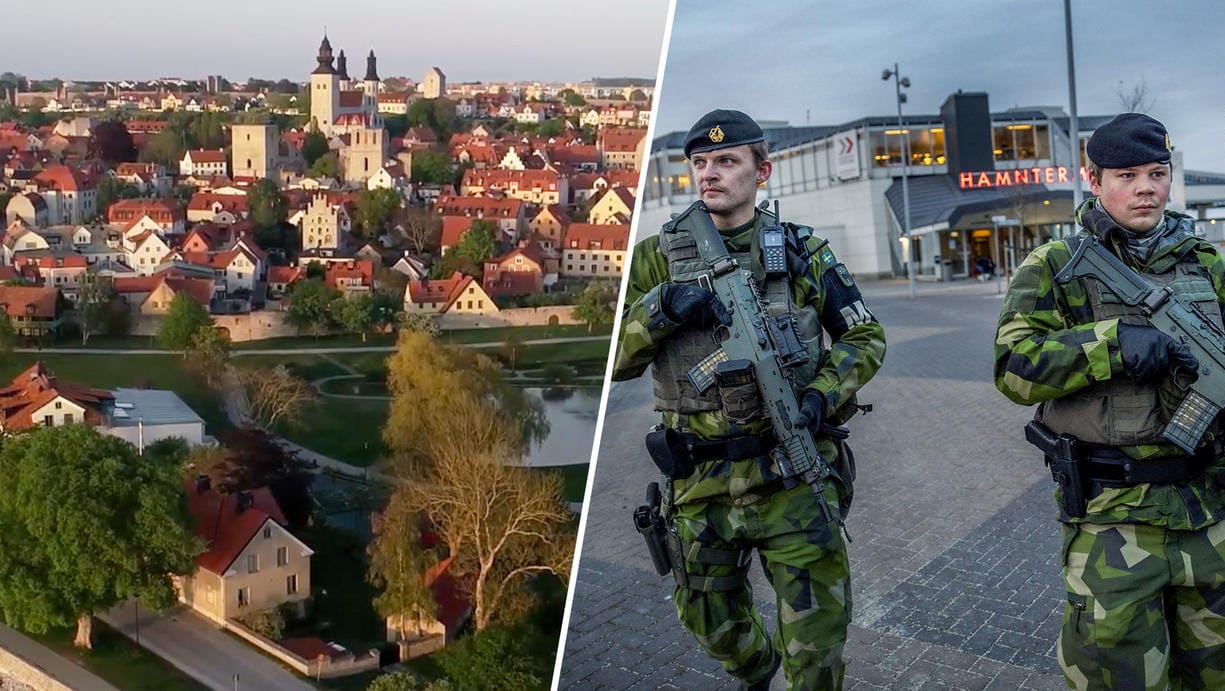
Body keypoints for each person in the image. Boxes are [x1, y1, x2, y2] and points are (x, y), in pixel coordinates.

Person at [612, 109, 885, 690]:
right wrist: (663, 308)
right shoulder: (656, 259)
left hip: (793, 475)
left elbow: (866, 336)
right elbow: (614, 362)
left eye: (727, 161)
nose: (710, 174)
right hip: (700, 480)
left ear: (763, 171)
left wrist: (820, 394)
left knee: (816, 651)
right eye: (700, 163)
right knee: (710, 621)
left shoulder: (802, 250)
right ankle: (757, 673)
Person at [994, 113, 1225, 688]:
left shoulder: (1209, 264)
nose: (1146, 187)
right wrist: (1111, 345)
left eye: (1158, 172)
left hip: (1212, 519)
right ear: (1092, 179)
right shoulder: (1054, 267)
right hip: (1114, 529)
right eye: (1127, 175)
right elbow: (1013, 368)